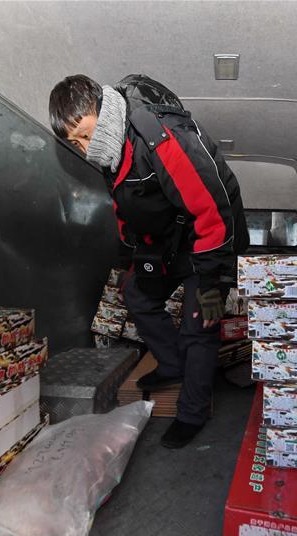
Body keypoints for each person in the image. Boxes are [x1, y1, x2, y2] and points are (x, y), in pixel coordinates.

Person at [49, 74, 248, 449]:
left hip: (215, 240)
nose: (85, 148)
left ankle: (192, 412)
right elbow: (128, 210)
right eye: (75, 143)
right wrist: (135, 259)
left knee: (200, 322)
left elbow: (212, 212)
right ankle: (172, 366)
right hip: (172, 240)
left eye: (86, 134)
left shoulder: (161, 136)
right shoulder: (112, 149)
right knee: (138, 296)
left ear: (103, 113)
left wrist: (212, 285)